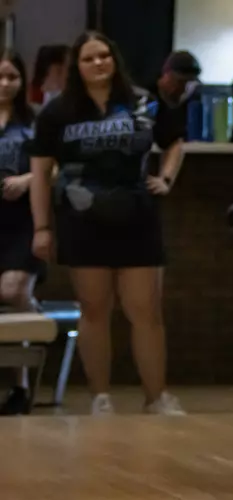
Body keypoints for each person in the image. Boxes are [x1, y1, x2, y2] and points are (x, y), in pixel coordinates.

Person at [29, 31, 187, 416]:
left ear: (114, 59)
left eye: (104, 56)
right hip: (82, 219)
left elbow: (175, 142)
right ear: (76, 67)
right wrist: (41, 227)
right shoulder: (58, 112)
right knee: (94, 309)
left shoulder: (143, 102)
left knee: (145, 310)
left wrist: (165, 177)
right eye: (88, 59)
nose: (98, 63)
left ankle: (156, 397)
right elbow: (40, 171)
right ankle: (101, 397)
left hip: (137, 215)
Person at [0, 49, 41, 415]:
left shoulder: (35, 122)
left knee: (11, 291)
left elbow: (57, 165)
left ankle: (20, 385)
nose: (5, 84)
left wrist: (29, 179)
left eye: (12, 76)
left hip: (22, 221)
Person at [146, 50, 202, 142]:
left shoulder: (191, 103)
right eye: (180, 82)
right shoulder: (146, 99)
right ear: (166, 75)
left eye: (188, 83)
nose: (183, 88)